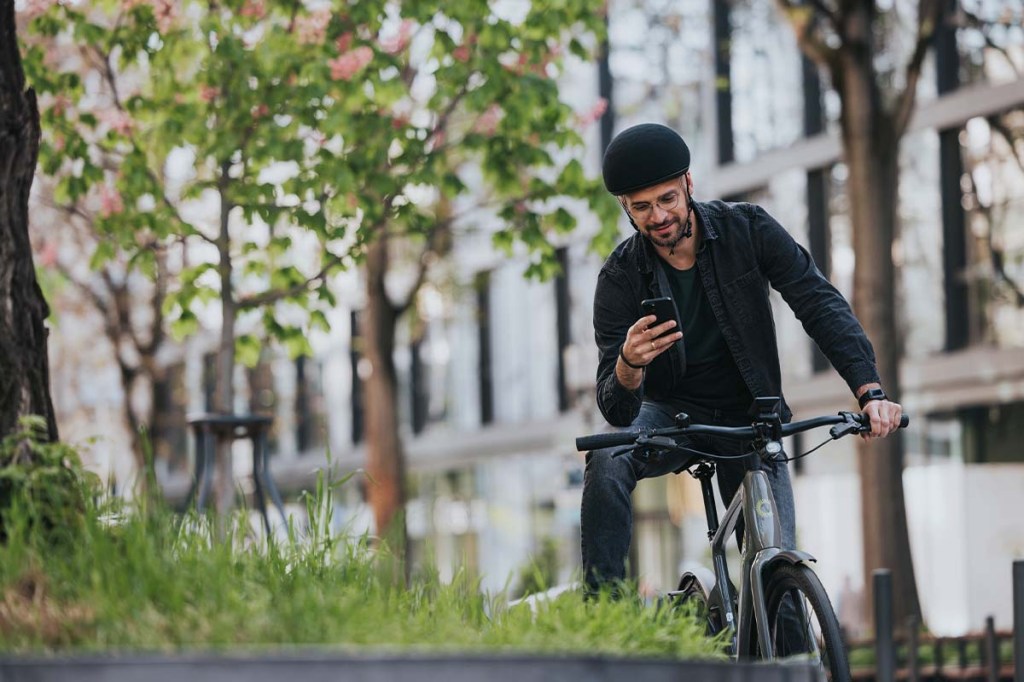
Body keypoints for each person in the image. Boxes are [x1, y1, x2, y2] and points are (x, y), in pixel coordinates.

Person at [582, 123, 904, 593]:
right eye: (642, 207)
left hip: (751, 416)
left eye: (668, 199)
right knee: (607, 455)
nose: (658, 217)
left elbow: (817, 301)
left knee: (778, 573)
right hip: (670, 419)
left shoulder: (747, 229)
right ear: (625, 208)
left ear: (688, 184)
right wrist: (629, 364)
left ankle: (793, 663)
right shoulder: (618, 278)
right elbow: (617, 411)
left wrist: (869, 389)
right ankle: (601, 624)